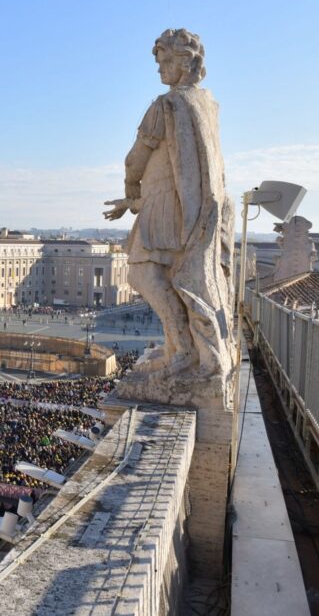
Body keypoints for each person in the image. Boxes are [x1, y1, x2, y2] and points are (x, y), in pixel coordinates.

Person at [103, 28, 234, 391]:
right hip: (190, 205)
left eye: (164, 62)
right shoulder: (206, 105)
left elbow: (135, 159)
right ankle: (181, 347)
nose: (159, 69)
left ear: (184, 63)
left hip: (166, 203)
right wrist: (133, 203)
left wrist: (130, 187)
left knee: (143, 273)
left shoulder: (166, 105)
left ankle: (183, 349)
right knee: (168, 275)